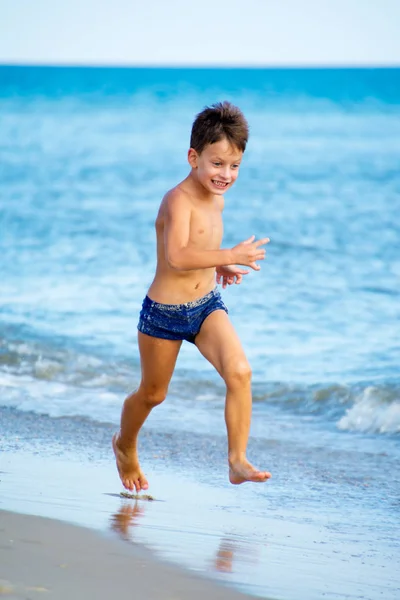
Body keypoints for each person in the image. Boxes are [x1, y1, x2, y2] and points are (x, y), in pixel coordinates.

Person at [113, 101, 271, 492]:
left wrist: (219, 267)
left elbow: (199, 249)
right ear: (193, 156)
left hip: (205, 307)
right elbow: (176, 255)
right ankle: (124, 443)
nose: (226, 175)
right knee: (153, 394)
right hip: (164, 314)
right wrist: (230, 254)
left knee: (240, 372)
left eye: (234, 166)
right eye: (217, 164)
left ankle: (236, 460)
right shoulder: (177, 199)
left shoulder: (217, 198)